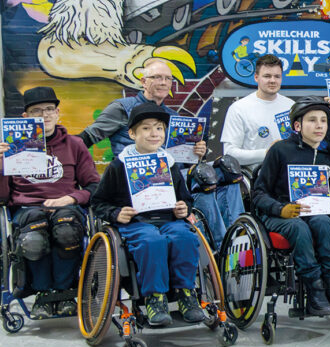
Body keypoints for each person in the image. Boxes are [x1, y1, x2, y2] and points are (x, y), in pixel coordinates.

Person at [81, 59, 244, 246]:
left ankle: (236, 242)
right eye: (157, 77)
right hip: (139, 176)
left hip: (175, 174)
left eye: (168, 78)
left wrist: (197, 153)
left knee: (229, 171)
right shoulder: (122, 108)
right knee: (202, 178)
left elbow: (186, 163)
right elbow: (86, 138)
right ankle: (220, 247)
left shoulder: (172, 116)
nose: (164, 82)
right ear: (143, 81)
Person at [90, 104, 204, 327]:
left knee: (186, 237)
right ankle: (155, 298)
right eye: (146, 128)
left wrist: (184, 208)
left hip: (168, 219)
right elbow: (98, 202)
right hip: (135, 223)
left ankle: (186, 293)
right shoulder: (118, 165)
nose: (154, 133)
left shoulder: (169, 163)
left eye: (159, 128)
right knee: (152, 240)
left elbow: (185, 198)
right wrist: (115, 213)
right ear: (132, 133)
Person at [0, 87, 99, 318]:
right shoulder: (11, 147)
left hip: (66, 206)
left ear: (58, 113)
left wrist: (72, 197)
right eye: (37, 111)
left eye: (49, 109)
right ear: (25, 117)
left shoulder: (75, 145)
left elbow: (94, 187)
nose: (44, 115)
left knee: (66, 231)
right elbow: (3, 198)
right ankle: (43, 295)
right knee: (34, 236)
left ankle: (65, 292)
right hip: (27, 209)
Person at [252, 98, 330, 316]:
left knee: (324, 223)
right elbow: (258, 193)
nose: (319, 125)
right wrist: (279, 208)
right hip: (278, 213)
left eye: (323, 120)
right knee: (298, 228)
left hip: (316, 212)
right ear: (297, 126)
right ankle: (315, 289)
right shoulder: (280, 151)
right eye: (312, 120)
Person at [220, 54, 294, 168]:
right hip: (253, 179)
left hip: (288, 176)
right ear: (256, 77)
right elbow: (229, 153)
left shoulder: (291, 106)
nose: (272, 80)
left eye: (277, 76)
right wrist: (267, 153)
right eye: (267, 76)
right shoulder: (239, 108)